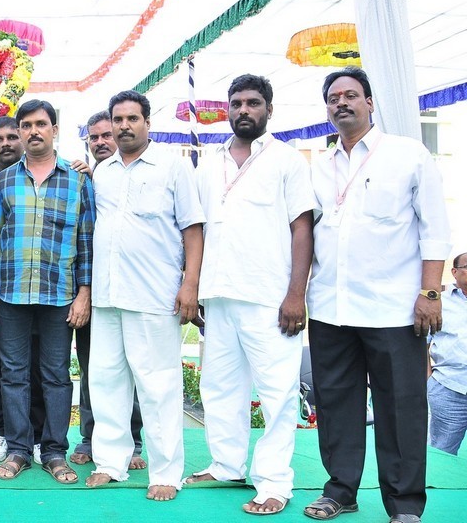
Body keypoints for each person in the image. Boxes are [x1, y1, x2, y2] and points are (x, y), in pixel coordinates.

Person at [304, 68, 450, 523]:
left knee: (401, 406)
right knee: (334, 405)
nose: (341, 103)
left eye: (351, 95)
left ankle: (404, 504)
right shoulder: (319, 166)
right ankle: (341, 489)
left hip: (394, 308)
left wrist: (430, 292)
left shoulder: (408, 154)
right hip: (331, 307)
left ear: (370, 102)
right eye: (333, 98)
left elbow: (435, 230)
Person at [187, 75, 316, 515]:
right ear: (227, 109)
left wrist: (296, 294)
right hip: (217, 295)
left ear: (269, 109)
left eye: (253, 103)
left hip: (270, 297)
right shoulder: (209, 161)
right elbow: (196, 228)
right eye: (237, 103)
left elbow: (302, 227)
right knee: (218, 387)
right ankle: (226, 464)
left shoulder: (287, 160)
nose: (244, 110)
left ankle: (275, 482)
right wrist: (196, 289)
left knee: (278, 392)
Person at [86, 92, 204, 501]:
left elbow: (193, 228)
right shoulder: (103, 172)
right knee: (105, 381)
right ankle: (110, 463)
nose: (123, 127)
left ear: (147, 122)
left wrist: (190, 284)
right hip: (108, 295)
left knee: (158, 386)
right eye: (117, 119)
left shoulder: (173, 166)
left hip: (155, 295)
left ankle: (166, 472)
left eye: (132, 118)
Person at [0, 99, 95, 485]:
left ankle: (55, 451)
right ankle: (19, 451)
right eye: (26, 125)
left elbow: (87, 241)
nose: (33, 132)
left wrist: (84, 293)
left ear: (55, 129)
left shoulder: (78, 180)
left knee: (56, 375)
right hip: (11, 294)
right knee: (13, 374)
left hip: (59, 295)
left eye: (40, 124)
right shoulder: (6, 179)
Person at [75, 110, 146, 471]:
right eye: (94, 137)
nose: (101, 141)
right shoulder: (84, 178)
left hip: (136, 290)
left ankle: (133, 442)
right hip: (92, 291)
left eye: (107, 135)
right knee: (93, 369)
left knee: (133, 368)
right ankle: (90, 437)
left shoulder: (136, 173)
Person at [0, 116, 45, 464]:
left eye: (10, 137)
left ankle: (33, 434)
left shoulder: (36, 177)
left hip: (32, 288)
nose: (5, 143)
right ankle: (0, 432)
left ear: (22, 137)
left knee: (33, 363)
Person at [428, 253, 467, 455]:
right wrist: (428, 380)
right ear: (454, 272)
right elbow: (420, 344)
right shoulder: (438, 302)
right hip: (449, 388)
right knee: (442, 452)